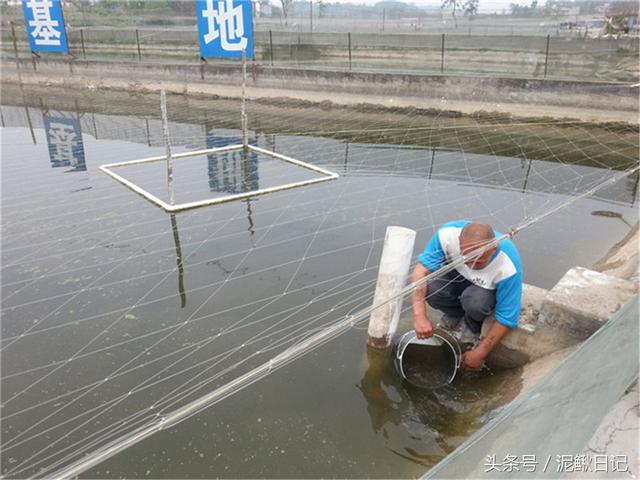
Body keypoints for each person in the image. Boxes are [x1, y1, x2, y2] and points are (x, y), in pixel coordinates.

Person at [410, 220, 522, 371]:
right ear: (459, 243)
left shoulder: (508, 263)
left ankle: (472, 325)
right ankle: (455, 314)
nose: (472, 266)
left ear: (493, 248)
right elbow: (420, 272)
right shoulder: (447, 235)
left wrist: (480, 353)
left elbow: (508, 317)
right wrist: (419, 316)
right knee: (432, 288)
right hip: (457, 276)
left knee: (475, 301)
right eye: (467, 259)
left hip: (484, 290)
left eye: (479, 262)